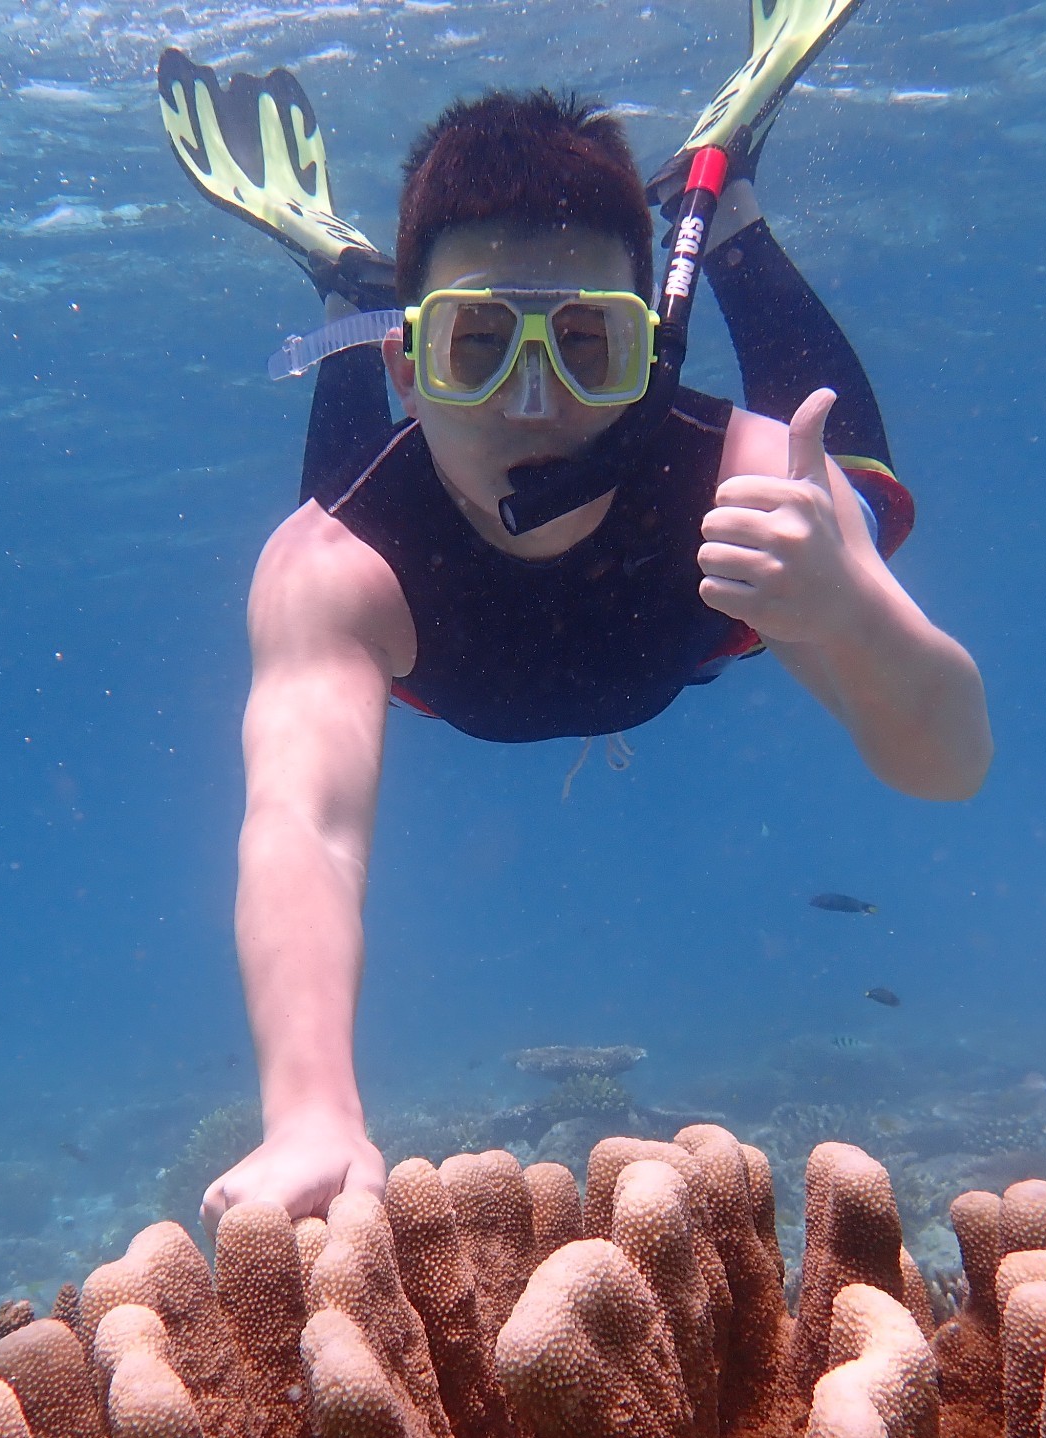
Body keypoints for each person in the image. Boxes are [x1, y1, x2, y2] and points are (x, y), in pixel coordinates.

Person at [154, 0, 993, 1228]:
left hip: (744, 567)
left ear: (651, 350)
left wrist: (851, 607)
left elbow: (948, 769)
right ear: (409, 360)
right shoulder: (333, 570)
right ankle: (358, 282)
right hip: (406, 552)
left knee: (851, 480)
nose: (532, 400)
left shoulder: (762, 495)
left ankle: (730, 206)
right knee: (336, 508)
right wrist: (309, 1111)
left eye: (589, 346)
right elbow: (304, 828)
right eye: (473, 346)